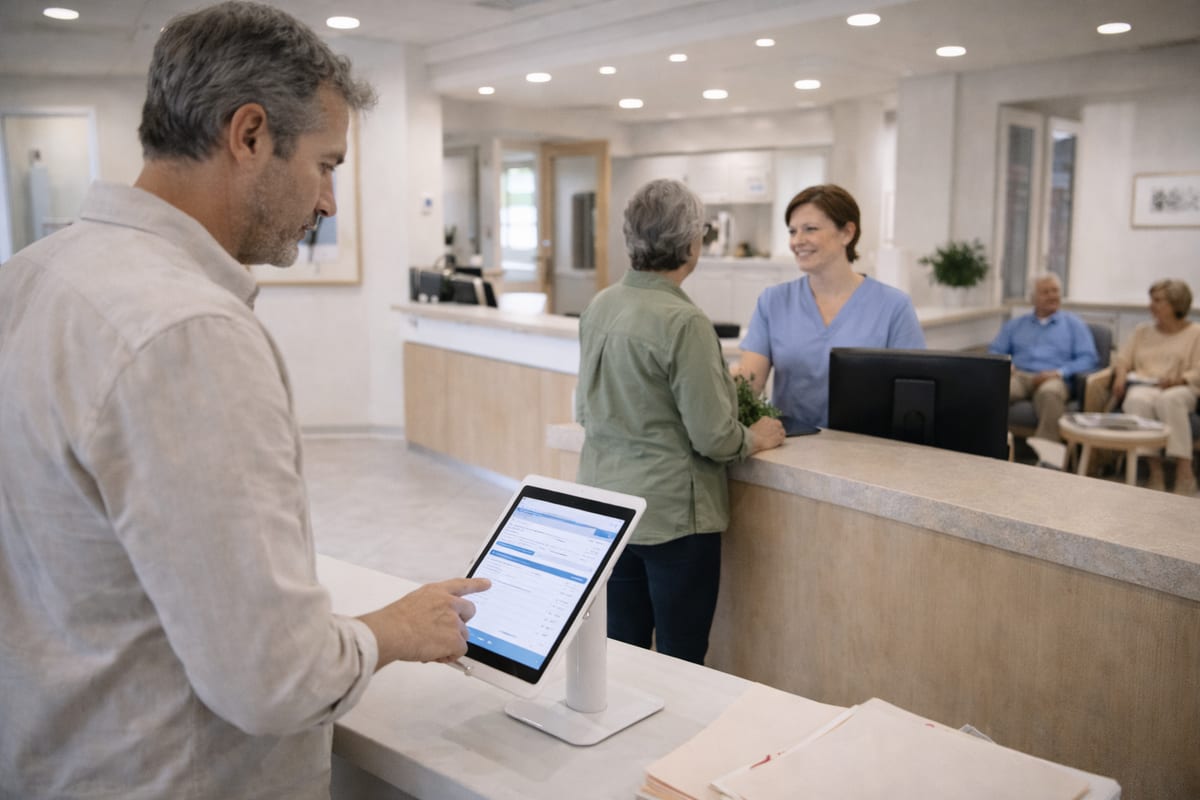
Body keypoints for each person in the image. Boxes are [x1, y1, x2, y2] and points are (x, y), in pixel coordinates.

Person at [0, 4, 490, 798]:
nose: (330, 202)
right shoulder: (188, 332)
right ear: (250, 134)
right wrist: (388, 632)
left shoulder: (28, 278)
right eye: (326, 165)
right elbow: (272, 677)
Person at [575, 178, 786, 665]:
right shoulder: (684, 322)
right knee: (679, 658)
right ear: (693, 243)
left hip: (608, 506)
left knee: (622, 651)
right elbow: (714, 436)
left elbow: (585, 410)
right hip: (672, 518)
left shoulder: (600, 306)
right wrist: (754, 437)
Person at [734, 184, 925, 429]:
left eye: (810, 229)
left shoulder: (894, 307)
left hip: (868, 455)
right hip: (791, 447)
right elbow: (748, 388)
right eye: (792, 231)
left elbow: (912, 398)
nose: (797, 241)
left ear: (847, 232)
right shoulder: (773, 302)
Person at [1111, 279, 1200, 495]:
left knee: (1170, 400)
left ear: (1176, 303)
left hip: (1182, 387)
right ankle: (1155, 471)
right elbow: (1123, 359)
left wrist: (1178, 380)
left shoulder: (1195, 333)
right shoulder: (1142, 331)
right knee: (1136, 400)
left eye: (1158, 300)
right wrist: (1120, 377)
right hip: (1146, 384)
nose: (1151, 305)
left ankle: (1184, 472)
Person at [988, 273, 1099, 441]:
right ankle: (985, 445)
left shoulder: (1074, 324)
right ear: (1032, 298)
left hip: (1053, 378)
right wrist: (1006, 365)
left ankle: (1049, 457)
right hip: (1019, 376)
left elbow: (1089, 358)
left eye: (1055, 291)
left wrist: (1059, 372)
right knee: (992, 390)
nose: (1052, 296)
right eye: (1045, 292)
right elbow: (996, 350)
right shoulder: (1016, 324)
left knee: (1050, 394)